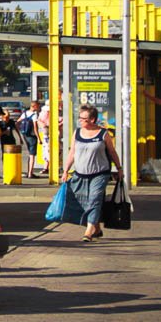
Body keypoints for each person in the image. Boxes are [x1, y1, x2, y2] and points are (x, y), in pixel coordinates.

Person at [62, 104, 123, 242]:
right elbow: (72, 152)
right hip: (80, 174)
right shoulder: (77, 133)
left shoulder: (103, 133)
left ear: (93, 120)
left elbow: (112, 152)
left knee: (94, 200)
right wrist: (65, 170)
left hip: (100, 173)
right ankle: (97, 228)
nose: (80, 121)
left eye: (83, 118)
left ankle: (88, 232)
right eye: (80, 118)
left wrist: (119, 168)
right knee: (84, 203)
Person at [17, 101, 42, 178]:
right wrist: (39, 138)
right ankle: (30, 173)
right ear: (34, 106)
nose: (38, 108)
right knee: (32, 155)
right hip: (32, 136)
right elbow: (35, 128)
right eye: (38, 106)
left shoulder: (25, 113)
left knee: (30, 153)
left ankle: (29, 172)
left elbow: (17, 122)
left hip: (25, 135)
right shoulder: (34, 115)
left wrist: (21, 131)